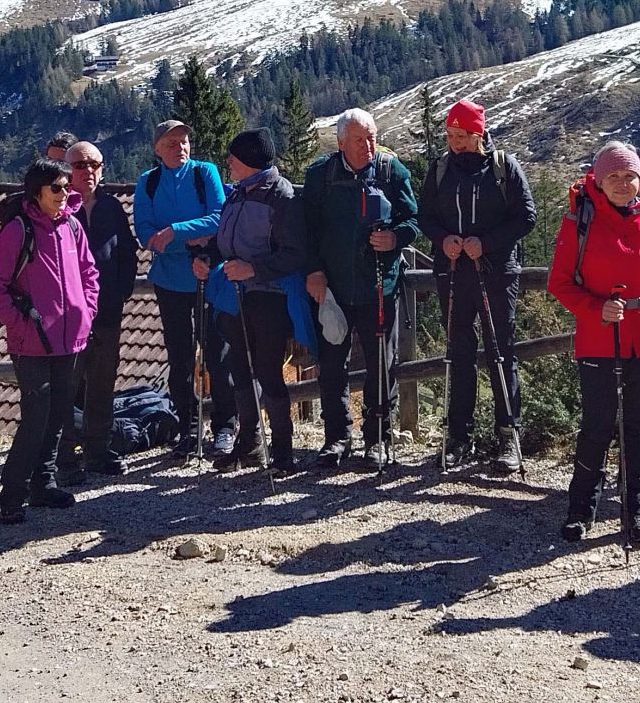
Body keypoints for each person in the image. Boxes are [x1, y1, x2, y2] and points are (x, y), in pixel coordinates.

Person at [546, 142, 640, 545]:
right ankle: (580, 509)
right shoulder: (580, 221)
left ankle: (637, 512)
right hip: (599, 339)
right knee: (598, 426)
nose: (623, 184)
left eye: (630, 176)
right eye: (614, 177)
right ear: (599, 180)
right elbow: (560, 283)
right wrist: (596, 308)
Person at [417, 98, 537, 473]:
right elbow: (425, 216)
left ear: (479, 134)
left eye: (462, 136)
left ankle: (508, 435)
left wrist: (486, 243)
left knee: (501, 351)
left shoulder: (503, 168)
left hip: (496, 272)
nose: (456, 143)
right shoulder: (440, 170)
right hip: (453, 271)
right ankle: (458, 437)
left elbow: (526, 217)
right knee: (459, 352)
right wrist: (443, 240)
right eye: (451, 136)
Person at [0, 158, 100, 522]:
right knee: (36, 418)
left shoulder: (73, 226)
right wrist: (20, 325)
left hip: (71, 341)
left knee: (58, 414)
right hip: (31, 345)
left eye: (67, 187)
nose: (64, 194)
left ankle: (42, 484)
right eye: (56, 188)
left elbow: (89, 274)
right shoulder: (19, 230)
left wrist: (86, 312)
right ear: (37, 191)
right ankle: (12, 494)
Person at [304, 108, 421, 471]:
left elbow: (414, 219)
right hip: (333, 290)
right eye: (359, 139)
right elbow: (305, 230)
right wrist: (314, 271)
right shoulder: (321, 176)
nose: (368, 145)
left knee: (381, 366)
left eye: (371, 137)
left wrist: (395, 238)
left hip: (379, 287)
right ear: (341, 143)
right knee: (331, 366)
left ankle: (378, 439)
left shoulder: (391, 172)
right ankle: (337, 438)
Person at [191, 129, 314, 476]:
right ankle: (249, 444)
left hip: (269, 297)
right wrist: (207, 257)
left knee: (268, 371)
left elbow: (295, 254)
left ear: (250, 160)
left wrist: (253, 269)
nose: (228, 161)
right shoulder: (238, 194)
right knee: (240, 370)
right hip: (236, 295)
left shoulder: (281, 196)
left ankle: (283, 452)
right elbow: (224, 242)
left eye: (234, 156)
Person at [133, 120, 232, 458]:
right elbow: (146, 234)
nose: (181, 148)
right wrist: (190, 238)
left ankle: (225, 426)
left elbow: (219, 218)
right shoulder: (148, 182)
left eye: (185, 141)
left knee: (218, 354)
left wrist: (174, 232)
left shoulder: (205, 173)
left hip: (209, 276)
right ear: (157, 150)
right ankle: (188, 427)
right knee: (179, 359)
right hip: (170, 282)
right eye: (172, 143)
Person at [58, 141, 140, 481]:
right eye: (80, 165)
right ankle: (63, 458)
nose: (88, 171)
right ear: (67, 171)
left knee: (102, 385)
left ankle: (97, 452)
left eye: (94, 164)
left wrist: (120, 294)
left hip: (106, 314)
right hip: (67, 319)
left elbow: (127, 253)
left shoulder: (111, 207)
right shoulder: (58, 209)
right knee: (65, 388)